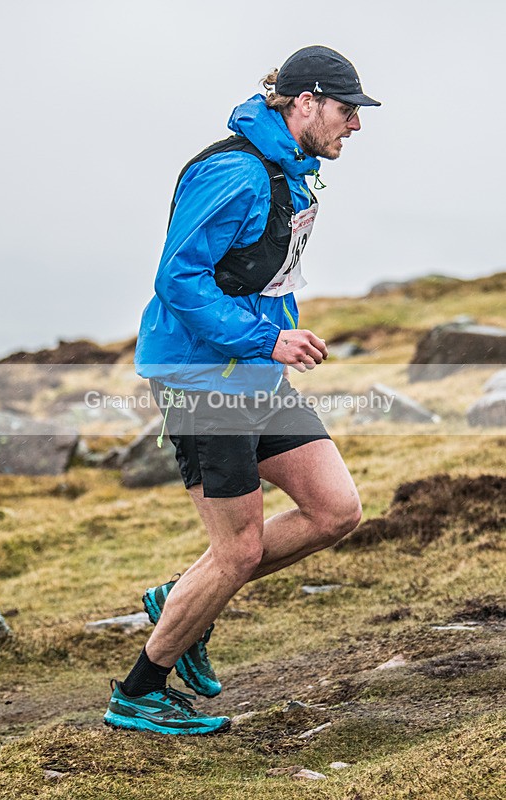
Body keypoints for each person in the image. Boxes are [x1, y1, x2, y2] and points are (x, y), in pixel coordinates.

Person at [104, 45, 380, 735]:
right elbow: (178, 280)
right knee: (237, 551)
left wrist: (275, 341)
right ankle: (138, 693)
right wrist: (266, 338)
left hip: (253, 375)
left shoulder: (290, 172)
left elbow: (264, 275)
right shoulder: (234, 172)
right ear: (305, 101)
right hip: (201, 380)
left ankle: (181, 598)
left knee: (335, 509)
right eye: (347, 111)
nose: (354, 125)